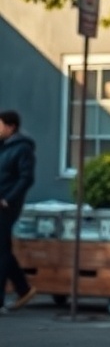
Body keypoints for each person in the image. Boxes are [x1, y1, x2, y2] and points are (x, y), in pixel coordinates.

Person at [0, 110, 37, 314]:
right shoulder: (3, 146)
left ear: (11, 127)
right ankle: (24, 289)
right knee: (3, 250)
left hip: (7, 206)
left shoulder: (23, 148)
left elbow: (26, 178)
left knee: (2, 251)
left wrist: (8, 199)